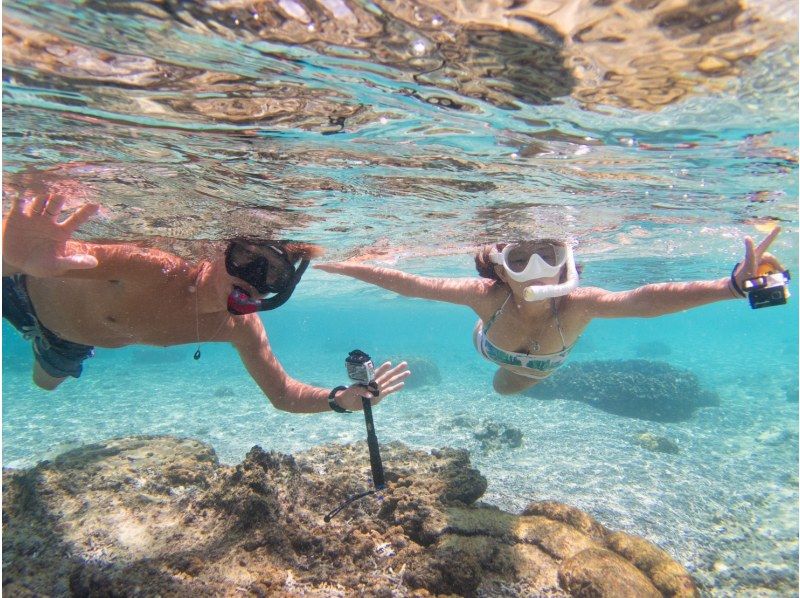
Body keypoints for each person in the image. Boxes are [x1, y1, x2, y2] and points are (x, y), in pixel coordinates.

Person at [2, 194, 410, 413]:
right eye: (246, 259)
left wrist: (339, 400)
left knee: (45, 384)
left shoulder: (238, 328)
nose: (252, 280)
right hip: (19, 290)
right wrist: (13, 257)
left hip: (64, 341)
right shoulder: (151, 267)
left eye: (272, 277)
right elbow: (40, 257)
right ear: (218, 250)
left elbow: (284, 394)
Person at [315, 231, 787, 395]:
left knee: (506, 389)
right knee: (500, 379)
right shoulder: (487, 295)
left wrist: (730, 286)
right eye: (520, 259)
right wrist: (344, 265)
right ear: (500, 267)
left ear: (568, 262)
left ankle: (513, 375)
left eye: (549, 255)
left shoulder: (579, 303)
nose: (537, 270)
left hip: (531, 371)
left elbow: (645, 300)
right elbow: (411, 283)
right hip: (488, 340)